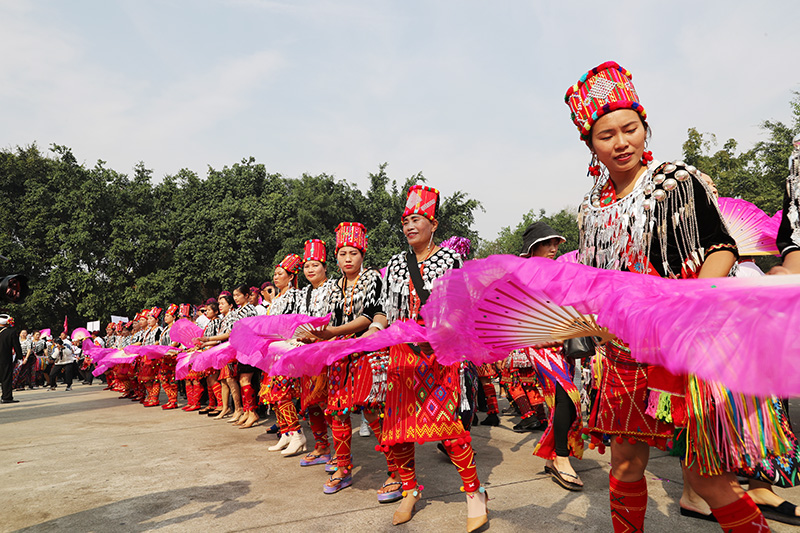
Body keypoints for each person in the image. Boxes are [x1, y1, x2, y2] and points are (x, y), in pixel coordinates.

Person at [566, 61, 767, 531]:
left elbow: (721, 250)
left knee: (708, 477)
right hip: (620, 352)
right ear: (590, 145)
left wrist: (687, 306)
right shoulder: (592, 209)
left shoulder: (675, 182)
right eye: (606, 135)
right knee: (624, 466)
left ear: (644, 126)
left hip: (683, 349)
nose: (621, 143)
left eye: (630, 129)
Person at [380, 185, 488, 531]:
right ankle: (410, 489)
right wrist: (373, 332)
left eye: (416, 219)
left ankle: (474, 492)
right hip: (401, 355)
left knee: (452, 430)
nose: (409, 226)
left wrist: (442, 330)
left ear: (433, 223)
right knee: (398, 431)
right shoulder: (396, 263)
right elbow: (385, 311)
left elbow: (462, 307)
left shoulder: (450, 259)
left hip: (439, 354)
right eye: (405, 221)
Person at [307, 224, 398, 499]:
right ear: (336, 256)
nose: (348, 258)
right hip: (339, 356)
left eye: (353, 253)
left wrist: (333, 334)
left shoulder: (373, 279)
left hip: (366, 354)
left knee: (372, 413)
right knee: (337, 411)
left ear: (363, 255)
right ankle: (343, 466)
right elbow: (331, 319)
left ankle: (396, 471)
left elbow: (371, 316)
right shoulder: (335, 286)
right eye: (343, 253)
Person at [517, 222, 586, 491]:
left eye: (556, 243)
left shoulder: (560, 274)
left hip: (564, 348)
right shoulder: (522, 277)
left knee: (565, 402)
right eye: (548, 244)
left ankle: (554, 457)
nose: (554, 249)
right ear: (534, 247)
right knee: (568, 395)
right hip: (540, 347)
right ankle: (561, 458)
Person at [295, 239, 337, 467]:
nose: (310, 270)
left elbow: (334, 320)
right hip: (306, 354)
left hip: (325, 351)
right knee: (311, 403)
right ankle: (321, 447)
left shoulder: (333, 288)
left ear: (325, 267)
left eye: (315, 265)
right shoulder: (304, 293)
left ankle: (340, 450)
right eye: (307, 267)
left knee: (328, 403)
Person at [261, 253, 305, 455]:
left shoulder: (295, 295)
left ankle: (297, 433)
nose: (276, 277)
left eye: (280, 274)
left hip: (287, 349)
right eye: (275, 274)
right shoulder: (277, 298)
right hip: (274, 350)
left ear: (291, 275)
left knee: (283, 393)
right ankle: (286, 433)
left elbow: (294, 323)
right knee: (274, 394)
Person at [0, 315, 23, 403]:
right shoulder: (11, 332)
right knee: (6, 378)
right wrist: (19, 357)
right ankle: (6, 397)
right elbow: (16, 345)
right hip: (4, 358)